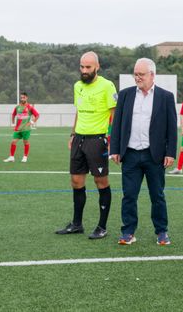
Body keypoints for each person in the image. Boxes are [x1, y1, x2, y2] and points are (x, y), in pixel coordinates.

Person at [110, 58, 177, 246]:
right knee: (129, 195)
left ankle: (162, 231)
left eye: (141, 74)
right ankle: (128, 232)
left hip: (154, 155)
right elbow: (117, 125)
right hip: (130, 154)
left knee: (157, 195)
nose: (137, 78)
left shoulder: (165, 97)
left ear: (152, 75)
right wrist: (115, 149)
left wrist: (170, 152)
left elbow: (172, 128)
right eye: (135, 74)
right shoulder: (125, 95)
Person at [55, 51, 117, 239]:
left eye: (88, 67)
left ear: (97, 67)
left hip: (98, 140)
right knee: (76, 181)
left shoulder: (107, 86)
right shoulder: (77, 86)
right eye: (82, 67)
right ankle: (77, 224)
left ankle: (102, 226)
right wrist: (73, 133)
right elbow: (78, 112)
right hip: (79, 139)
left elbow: (114, 113)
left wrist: (111, 139)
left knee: (101, 181)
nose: (84, 70)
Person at [3, 92, 40, 163]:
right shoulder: (17, 107)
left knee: (25, 142)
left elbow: (37, 115)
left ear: (26, 98)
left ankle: (25, 157)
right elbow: (13, 115)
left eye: (23, 97)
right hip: (18, 129)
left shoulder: (30, 107)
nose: (22, 99)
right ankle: (11, 157)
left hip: (26, 129)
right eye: (21, 97)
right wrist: (13, 124)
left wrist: (31, 122)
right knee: (13, 142)